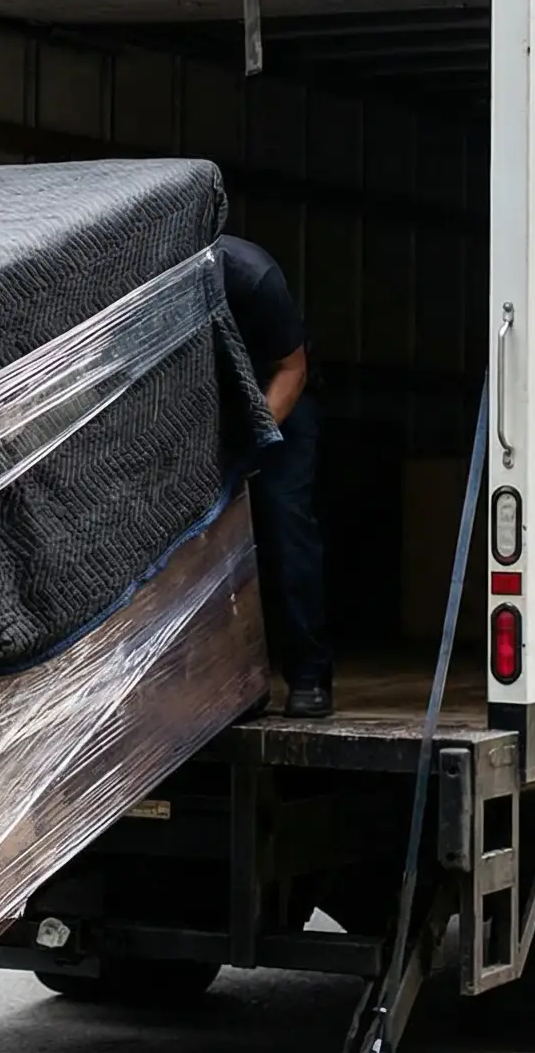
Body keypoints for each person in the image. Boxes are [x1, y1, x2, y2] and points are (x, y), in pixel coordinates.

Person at [216, 234, 331, 718]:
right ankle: (232, 684)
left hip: (276, 396)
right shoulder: (150, 276)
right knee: (208, 543)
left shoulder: (251, 274)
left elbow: (292, 369)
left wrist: (252, 444)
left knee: (283, 525)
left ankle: (309, 676)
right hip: (209, 403)